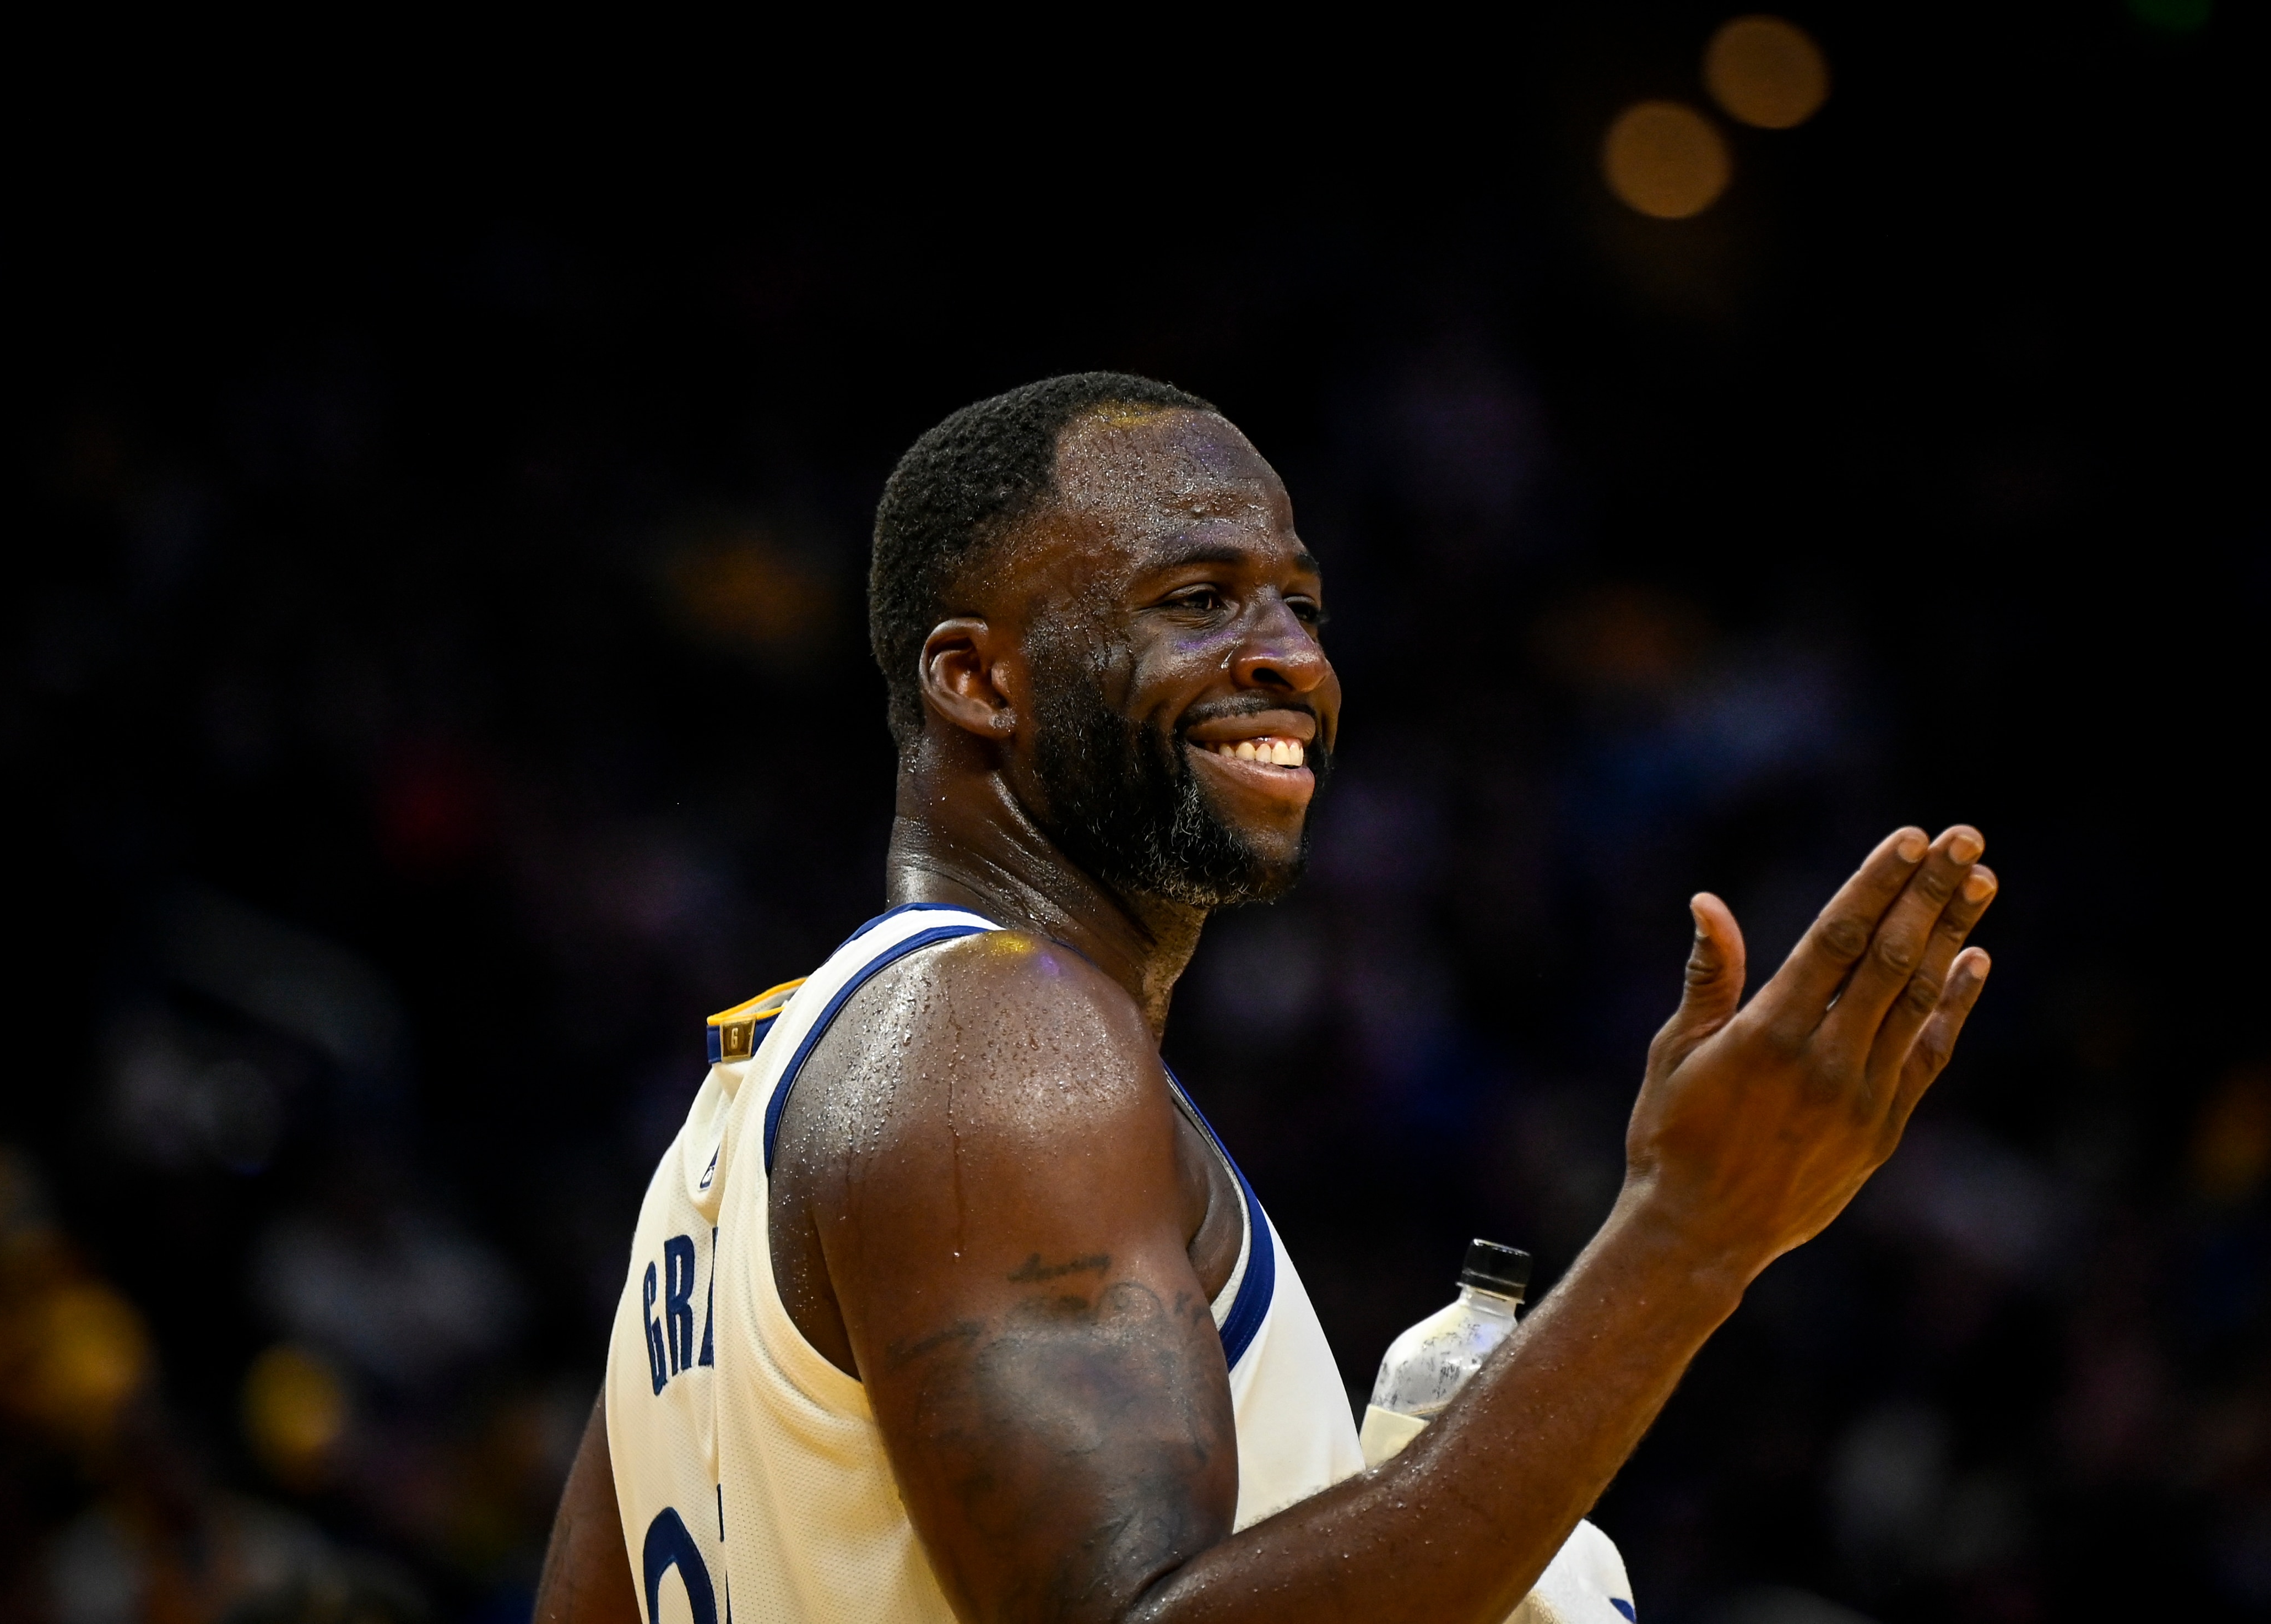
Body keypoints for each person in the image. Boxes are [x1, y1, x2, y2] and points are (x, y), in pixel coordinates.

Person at [532, 372, 1997, 1624]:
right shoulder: (1003, 1034)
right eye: (1196, 599)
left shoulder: (728, 1137)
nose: (1291, 658)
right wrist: (1689, 1237)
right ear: (977, 679)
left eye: (1300, 603)